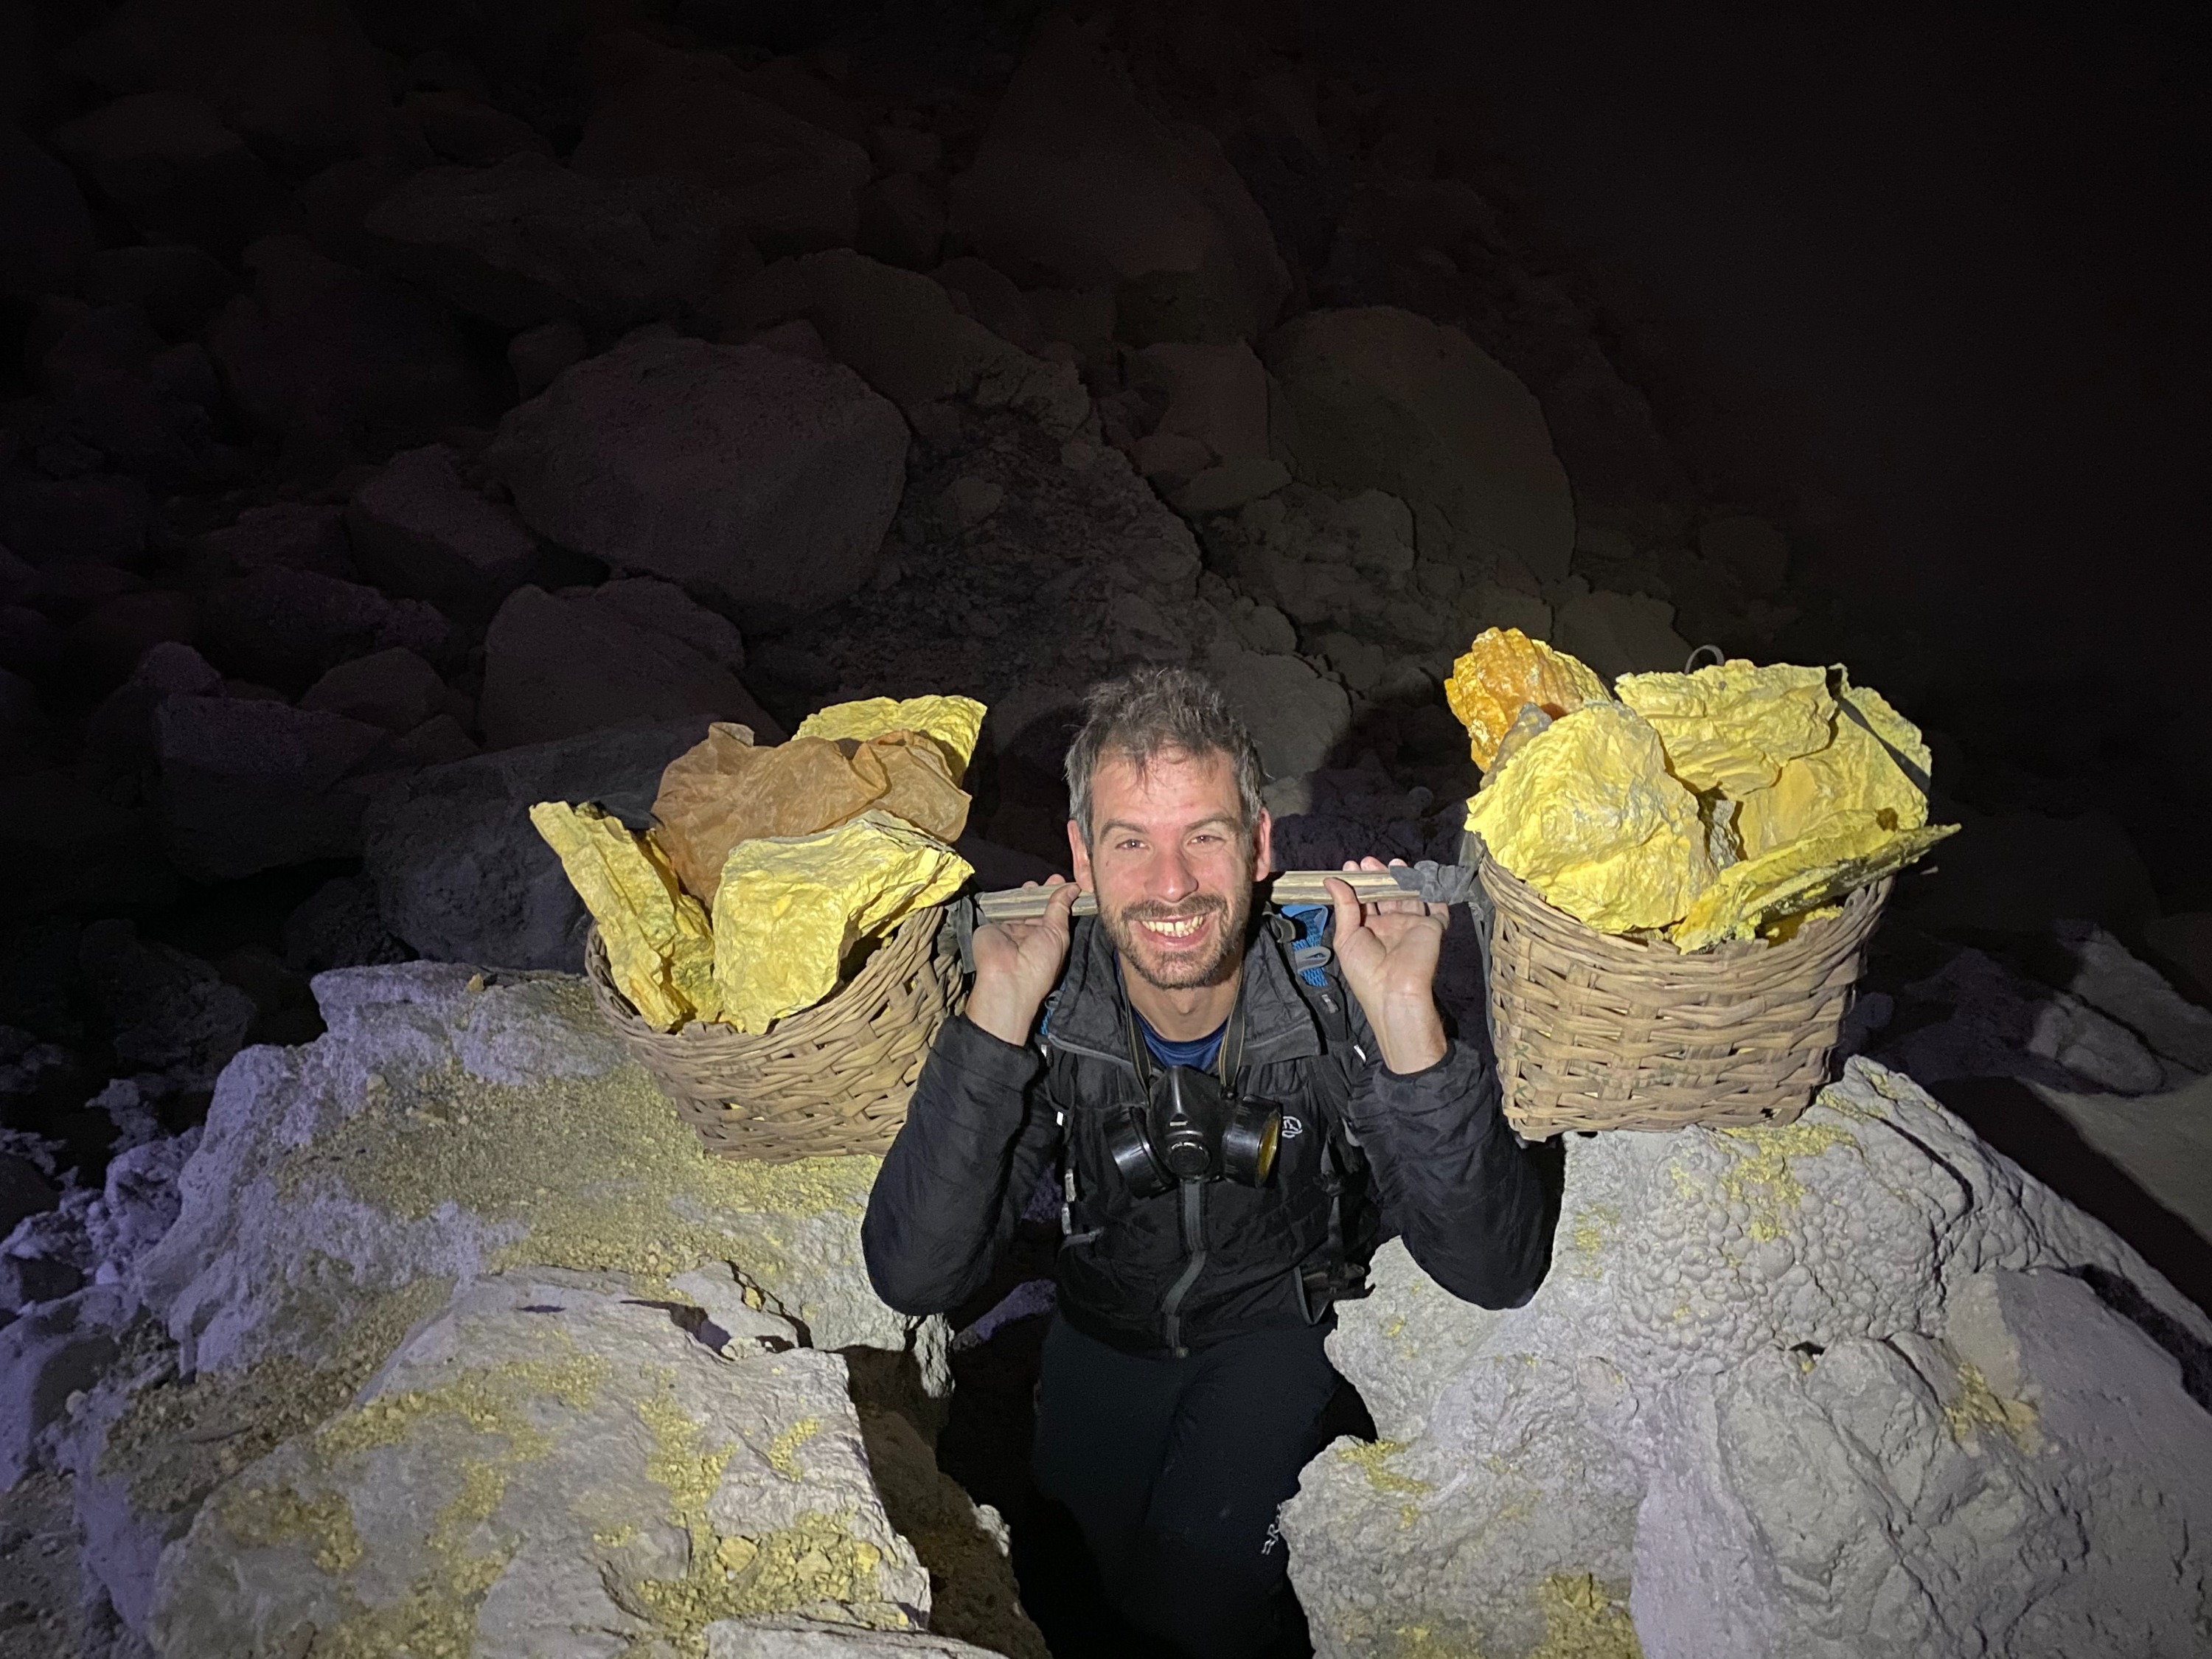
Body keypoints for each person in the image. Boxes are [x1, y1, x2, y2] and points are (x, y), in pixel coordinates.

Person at [862, 667, 1554, 1659]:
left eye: (1206, 836)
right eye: (1132, 841)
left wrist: (1409, 1021)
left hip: (1272, 1341)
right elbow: (915, 1272)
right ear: (1083, 860)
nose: (1173, 884)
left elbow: (1495, 1269)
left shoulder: (1329, 995)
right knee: (1058, 1595)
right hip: (1098, 1332)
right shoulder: (1051, 1004)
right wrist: (992, 1025)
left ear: (1261, 844)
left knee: (1190, 1619)